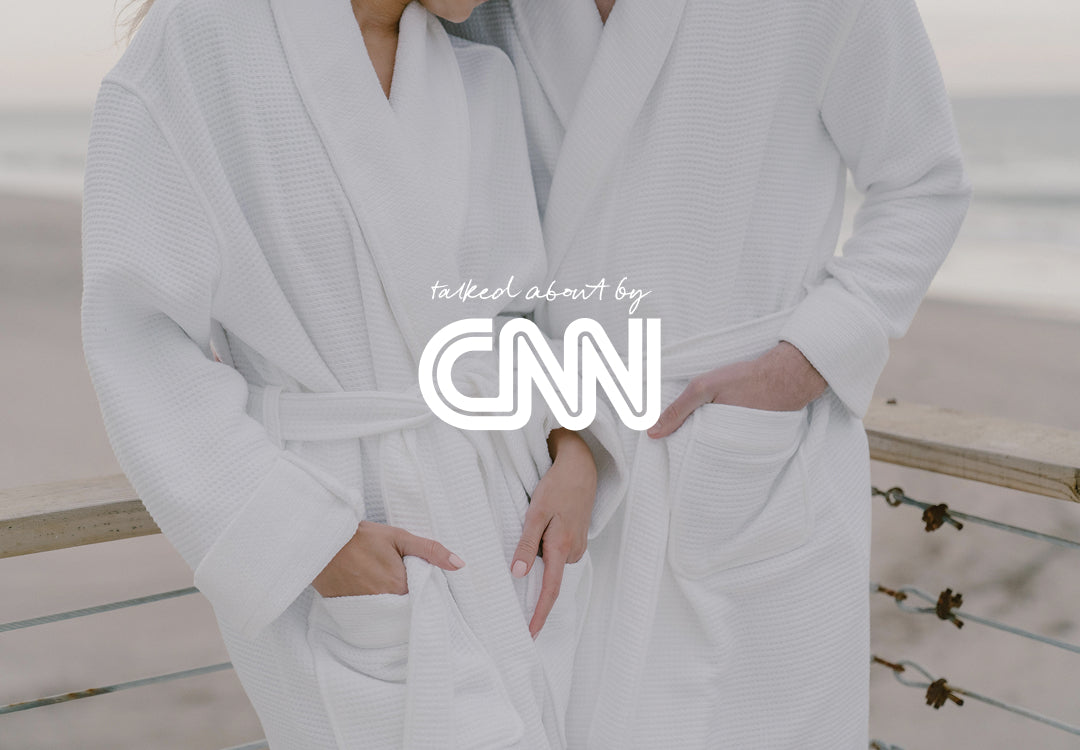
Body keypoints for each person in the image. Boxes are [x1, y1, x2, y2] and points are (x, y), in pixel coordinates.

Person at [450, 0, 973, 746]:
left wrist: (808, 359)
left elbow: (924, 181)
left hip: (748, 464)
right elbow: (475, 242)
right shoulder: (483, 6)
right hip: (558, 463)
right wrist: (561, 427)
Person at [81, 0, 600, 747]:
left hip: (506, 511)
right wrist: (307, 541)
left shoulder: (476, 73)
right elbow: (138, 336)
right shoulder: (206, 41)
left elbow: (517, 312)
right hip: (351, 524)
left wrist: (572, 440)